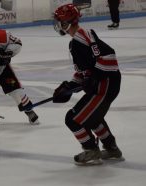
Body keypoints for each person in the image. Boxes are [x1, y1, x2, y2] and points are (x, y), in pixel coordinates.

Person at [53, 3, 124, 165]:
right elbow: (84, 72)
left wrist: (95, 77)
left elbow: (109, 56)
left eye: (59, 21)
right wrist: (69, 87)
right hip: (103, 84)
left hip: (105, 85)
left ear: (66, 22)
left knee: (73, 119)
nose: (57, 24)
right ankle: (112, 149)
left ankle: (91, 150)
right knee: (93, 119)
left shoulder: (81, 36)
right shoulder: (76, 40)